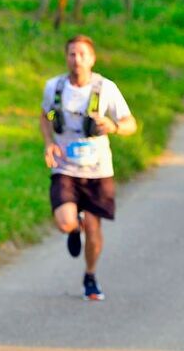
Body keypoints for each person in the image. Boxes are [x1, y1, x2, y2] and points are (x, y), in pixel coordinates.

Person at [41, 35, 136, 300]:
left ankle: (90, 276)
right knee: (64, 222)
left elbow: (131, 123)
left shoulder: (106, 89)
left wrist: (114, 126)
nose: (77, 59)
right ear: (66, 57)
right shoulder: (54, 87)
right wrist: (49, 141)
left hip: (97, 170)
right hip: (65, 167)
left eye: (83, 54)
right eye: (72, 54)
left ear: (92, 59)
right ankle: (73, 229)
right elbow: (46, 114)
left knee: (95, 228)